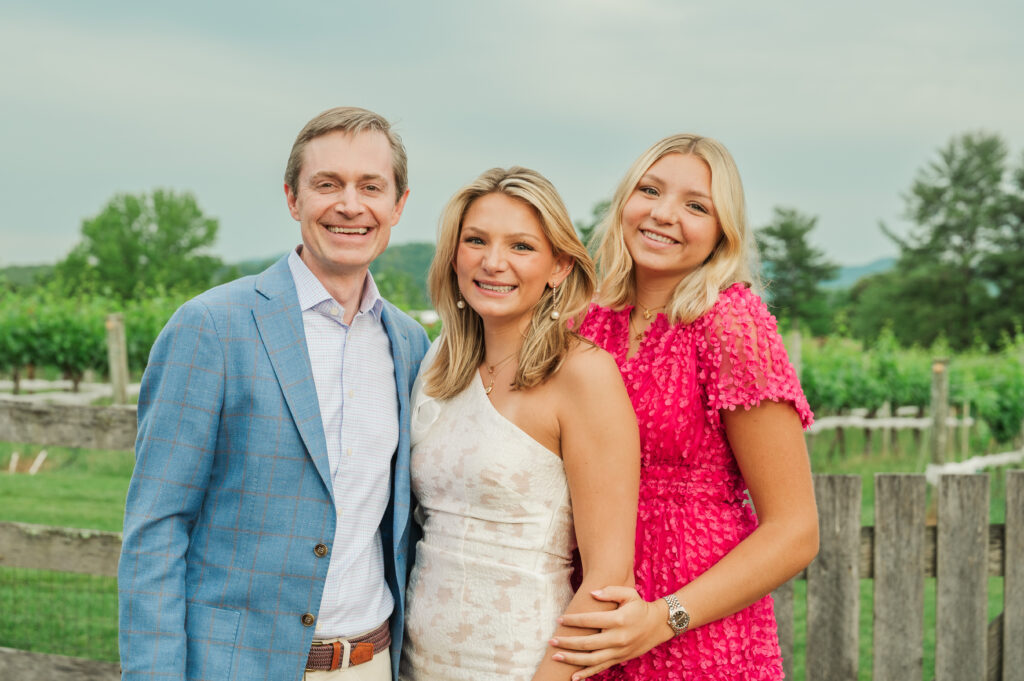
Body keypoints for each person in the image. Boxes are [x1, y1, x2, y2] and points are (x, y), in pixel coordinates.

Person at [118, 107, 430, 681]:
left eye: (371, 187)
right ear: (292, 198)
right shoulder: (210, 327)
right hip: (235, 666)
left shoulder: (409, 343)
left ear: (398, 205)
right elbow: (156, 528)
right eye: (327, 184)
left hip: (371, 662)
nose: (350, 205)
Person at [548, 134, 819, 680]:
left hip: (697, 631)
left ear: (723, 232)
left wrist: (662, 618)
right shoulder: (582, 323)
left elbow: (795, 530)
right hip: (592, 617)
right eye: (650, 190)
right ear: (625, 201)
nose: (663, 214)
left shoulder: (732, 325)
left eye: (696, 205)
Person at [398, 167, 640, 681]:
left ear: (558, 267)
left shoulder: (584, 375)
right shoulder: (436, 363)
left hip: (522, 662)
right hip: (417, 662)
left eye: (521, 246)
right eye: (476, 240)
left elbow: (607, 576)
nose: (493, 262)